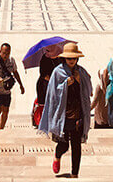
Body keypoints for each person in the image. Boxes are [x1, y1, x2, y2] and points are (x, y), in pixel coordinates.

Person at [38, 42, 92, 179]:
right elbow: (52, 93)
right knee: (64, 144)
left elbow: (89, 89)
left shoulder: (81, 72)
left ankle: (75, 173)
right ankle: (57, 156)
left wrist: (80, 81)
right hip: (63, 114)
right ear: (64, 58)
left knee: (76, 145)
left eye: (73, 58)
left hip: (78, 114)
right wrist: (64, 85)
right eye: (69, 58)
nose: (71, 61)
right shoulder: (58, 72)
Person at [0, 42, 25, 130]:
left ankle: (1, 129)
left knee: (6, 111)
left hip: (6, 90)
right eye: (4, 53)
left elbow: (15, 72)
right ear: (0, 51)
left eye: (7, 53)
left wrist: (21, 85)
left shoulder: (11, 60)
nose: (5, 55)